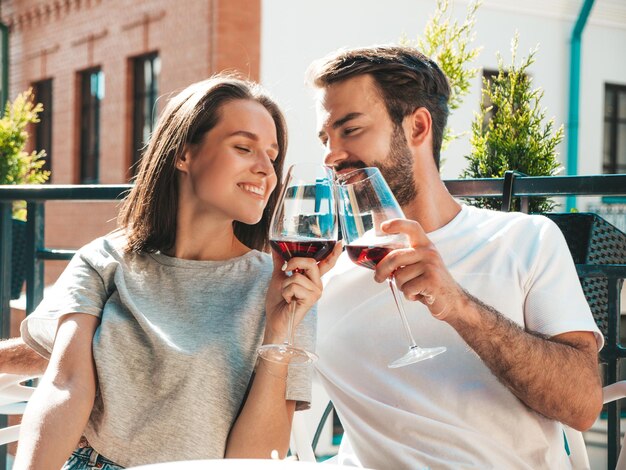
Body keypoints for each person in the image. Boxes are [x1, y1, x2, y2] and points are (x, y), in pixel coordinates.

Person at [10, 74, 341, 469]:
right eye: (243, 147)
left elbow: (256, 461)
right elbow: (65, 387)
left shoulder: (283, 287)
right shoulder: (103, 260)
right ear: (183, 154)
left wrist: (279, 329)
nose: (265, 171)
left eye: (271, 156)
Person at [309, 45, 603, 469]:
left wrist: (460, 307)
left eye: (349, 130)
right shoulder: (328, 275)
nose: (330, 155)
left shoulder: (524, 239)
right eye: (325, 137)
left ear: (417, 126)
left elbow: (582, 405)